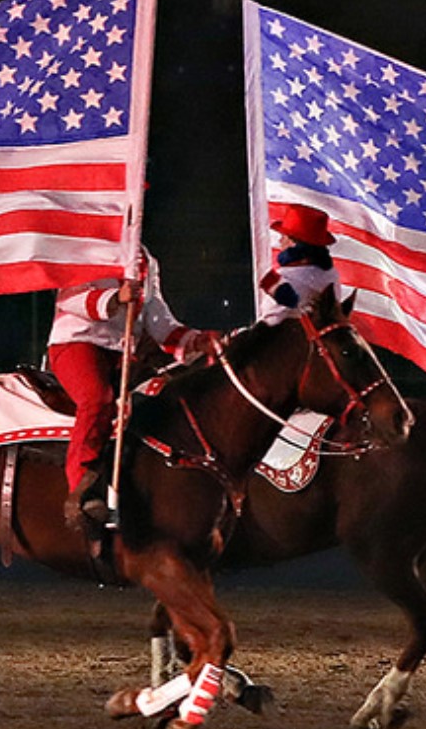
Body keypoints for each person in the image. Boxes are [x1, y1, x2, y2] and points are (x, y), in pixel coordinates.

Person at [48, 249, 217, 533]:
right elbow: (70, 297)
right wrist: (114, 299)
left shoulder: (146, 260)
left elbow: (158, 320)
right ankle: (81, 487)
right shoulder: (85, 244)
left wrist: (195, 341)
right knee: (97, 398)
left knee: (157, 397)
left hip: (122, 351)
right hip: (77, 342)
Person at [259, 204, 339, 317]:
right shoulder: (332, 276)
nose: (280, 241)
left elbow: (269, 324)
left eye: (284, 236)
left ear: (293, 242)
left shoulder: (283, 281)